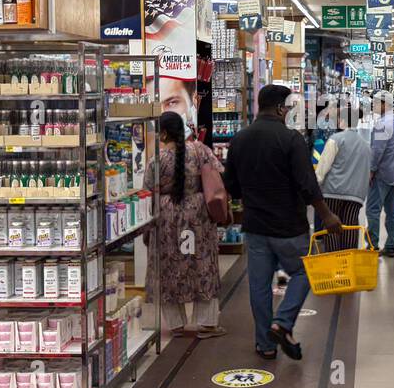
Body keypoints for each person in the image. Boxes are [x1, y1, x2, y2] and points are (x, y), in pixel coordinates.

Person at [224, 84, 341, 361]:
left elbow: (232, 185)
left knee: (260, 286)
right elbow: (306, 183)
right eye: (288, 107)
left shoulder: (239, 140)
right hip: (289, 226)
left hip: (255, 226)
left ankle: (265, 344)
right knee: (305, 273)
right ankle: (283, 322)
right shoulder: (291, 140)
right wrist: (326, 215)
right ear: (279, 108)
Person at [143, 111, 225, 338]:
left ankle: (176, 324)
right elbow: (219, 174)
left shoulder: (155, 161)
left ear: (164, 133)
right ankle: (207, 323)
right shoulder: (201, 150)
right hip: (198, 216)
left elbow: (148, 190)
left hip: (166, 217)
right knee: (203, 264)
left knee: (169, 267)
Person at [314, 96, 371, 250]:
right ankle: (348, 262)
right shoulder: (365, 145)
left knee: (332, 229)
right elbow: (367, 173)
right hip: (356, 196)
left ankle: (334, 265)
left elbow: (322, 167)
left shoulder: (336, 139)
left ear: (343, 121)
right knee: (350, 227)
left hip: (333, 192)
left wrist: (314, 188)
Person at [366, 89, 394, 258]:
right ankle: (390, 246)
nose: (373, 105)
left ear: (384, 104)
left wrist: (371, 170)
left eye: (375, 102)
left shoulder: (382, 123)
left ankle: (373, 246)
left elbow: (377, 150)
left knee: (373, 210)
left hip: (382, 174)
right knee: (392, 212)